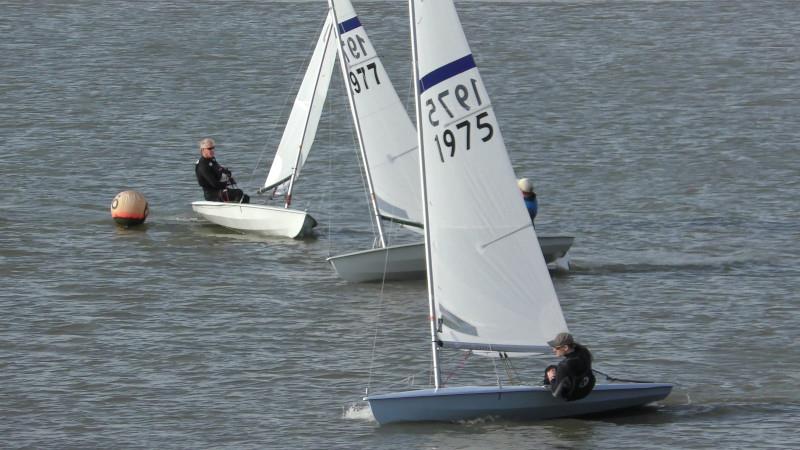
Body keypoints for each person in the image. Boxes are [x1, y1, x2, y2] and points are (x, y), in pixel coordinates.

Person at [195, 138, 250, 203]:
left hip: (219, 190)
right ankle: (234, 210)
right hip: (212, 194)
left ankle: (240, 209)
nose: (212, 150)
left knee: (245, 197)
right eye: (209, 148)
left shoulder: (212, 159)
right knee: (238, 193)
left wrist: (228, 173)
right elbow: (214, 184)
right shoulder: (203, 165)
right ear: (203, 150)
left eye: (213, 148)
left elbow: (220, 169)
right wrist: (227, 183)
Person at [546, 332, 596, 401]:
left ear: (565, 347)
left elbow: (556, 394)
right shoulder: (584, 353)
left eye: (556, 348)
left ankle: (545, 390)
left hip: (572, 396)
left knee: (550, 369)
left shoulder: (563, 365)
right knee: (557, 369)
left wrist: (552, 378)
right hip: (587, 390)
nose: (553, 350)